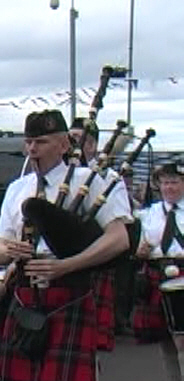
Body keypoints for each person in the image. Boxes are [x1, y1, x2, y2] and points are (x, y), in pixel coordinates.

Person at [0, 110, 132, 381]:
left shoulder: (94, 181)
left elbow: (119, 239)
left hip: (69, 297)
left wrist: (67, 265)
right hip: (25, 299)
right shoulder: (17, 189)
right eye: (28, 142)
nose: (32, 150)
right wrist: (8, 251)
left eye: (42, 142)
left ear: (65, 143)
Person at [68, 117, 128, 352]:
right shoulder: (61, 175)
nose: (71, 143)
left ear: (92, 145)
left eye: (77, 139)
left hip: (93, 258)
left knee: (87, 341)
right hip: (60, 261)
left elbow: (121, 219)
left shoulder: (108, 178)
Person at [134, 161, 184, 381]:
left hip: (182, 275)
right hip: (156, 276)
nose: (169, 187)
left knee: (182, 339)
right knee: (165, 338)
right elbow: (139, 246)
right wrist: (140, 251)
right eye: (165, 183)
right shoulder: (150, 213)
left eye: (174, 182)